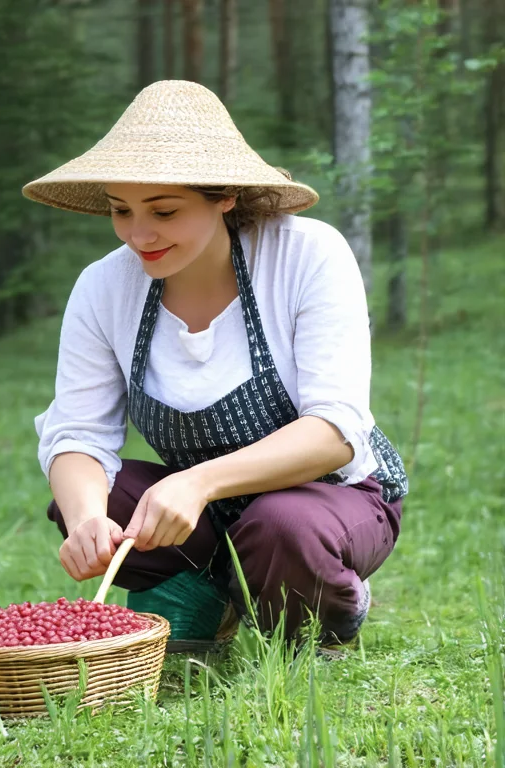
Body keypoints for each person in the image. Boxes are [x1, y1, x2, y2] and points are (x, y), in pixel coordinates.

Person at [25, 80, 407, 650]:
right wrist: (87, 522)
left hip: (328, 497)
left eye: (164, 211)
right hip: (203, 513)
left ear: (224, 196)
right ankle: (208, 591)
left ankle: (328, 603)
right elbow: (76, 431)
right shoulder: (103, 287)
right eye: (120, 210)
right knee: (95, 495)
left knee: (283, 528)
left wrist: (199, 481)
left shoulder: (308, 256)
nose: (139, 234)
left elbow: (335, 431)